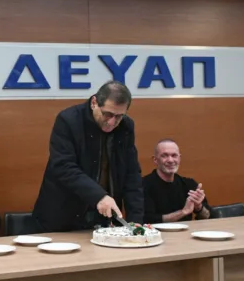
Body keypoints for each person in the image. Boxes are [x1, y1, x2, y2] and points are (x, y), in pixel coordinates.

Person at [33, 81, 144, 232]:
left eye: (119, 116)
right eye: (107, 114)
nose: (112, 122)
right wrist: (99, 196)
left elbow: (132, 174)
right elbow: (64, 167)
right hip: (63, 214)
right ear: (94, 103)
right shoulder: (68, 120)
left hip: (103, 216)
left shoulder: (126, 127)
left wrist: (135, 221)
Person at [143, 139, 210, 223]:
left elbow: (209, 217)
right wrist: (183, 212)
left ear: (179, 158)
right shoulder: (143, 185)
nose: (170, 160)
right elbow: (147, 220)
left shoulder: (188, 184)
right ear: (155, 160)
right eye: (164, 156)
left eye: (174, 155)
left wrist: (199, 207)